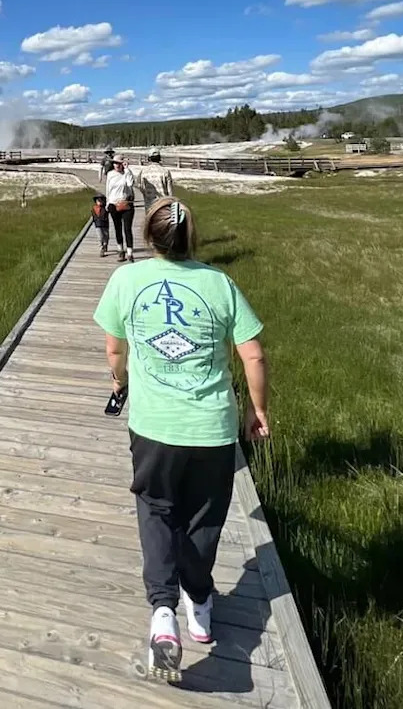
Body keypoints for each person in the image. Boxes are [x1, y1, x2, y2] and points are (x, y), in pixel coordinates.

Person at [93, 197, 269, 682]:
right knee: (204, 516)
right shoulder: (219, 284)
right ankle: (200, 603)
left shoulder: (126, 280)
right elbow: (253, 356)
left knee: (156, 509)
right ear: (192, 237)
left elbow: (114, 348)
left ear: (149, 237)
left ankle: (163, 611)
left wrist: (120, 381)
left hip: (153, 427)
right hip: (212, 428)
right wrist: (258, 411)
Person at [105, 159, 137, 262]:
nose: (117, 165)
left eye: (119, 163)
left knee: (127, 229)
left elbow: (130, 184)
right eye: (115, 163)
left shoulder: (127, 173)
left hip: (126, 203)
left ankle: (130, 253)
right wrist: (107, 202)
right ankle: (120, 251)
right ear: (113, 164)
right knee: (117, 228)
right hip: (113, 204)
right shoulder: (110, 174)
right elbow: (108, 189)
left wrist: (127, 169)